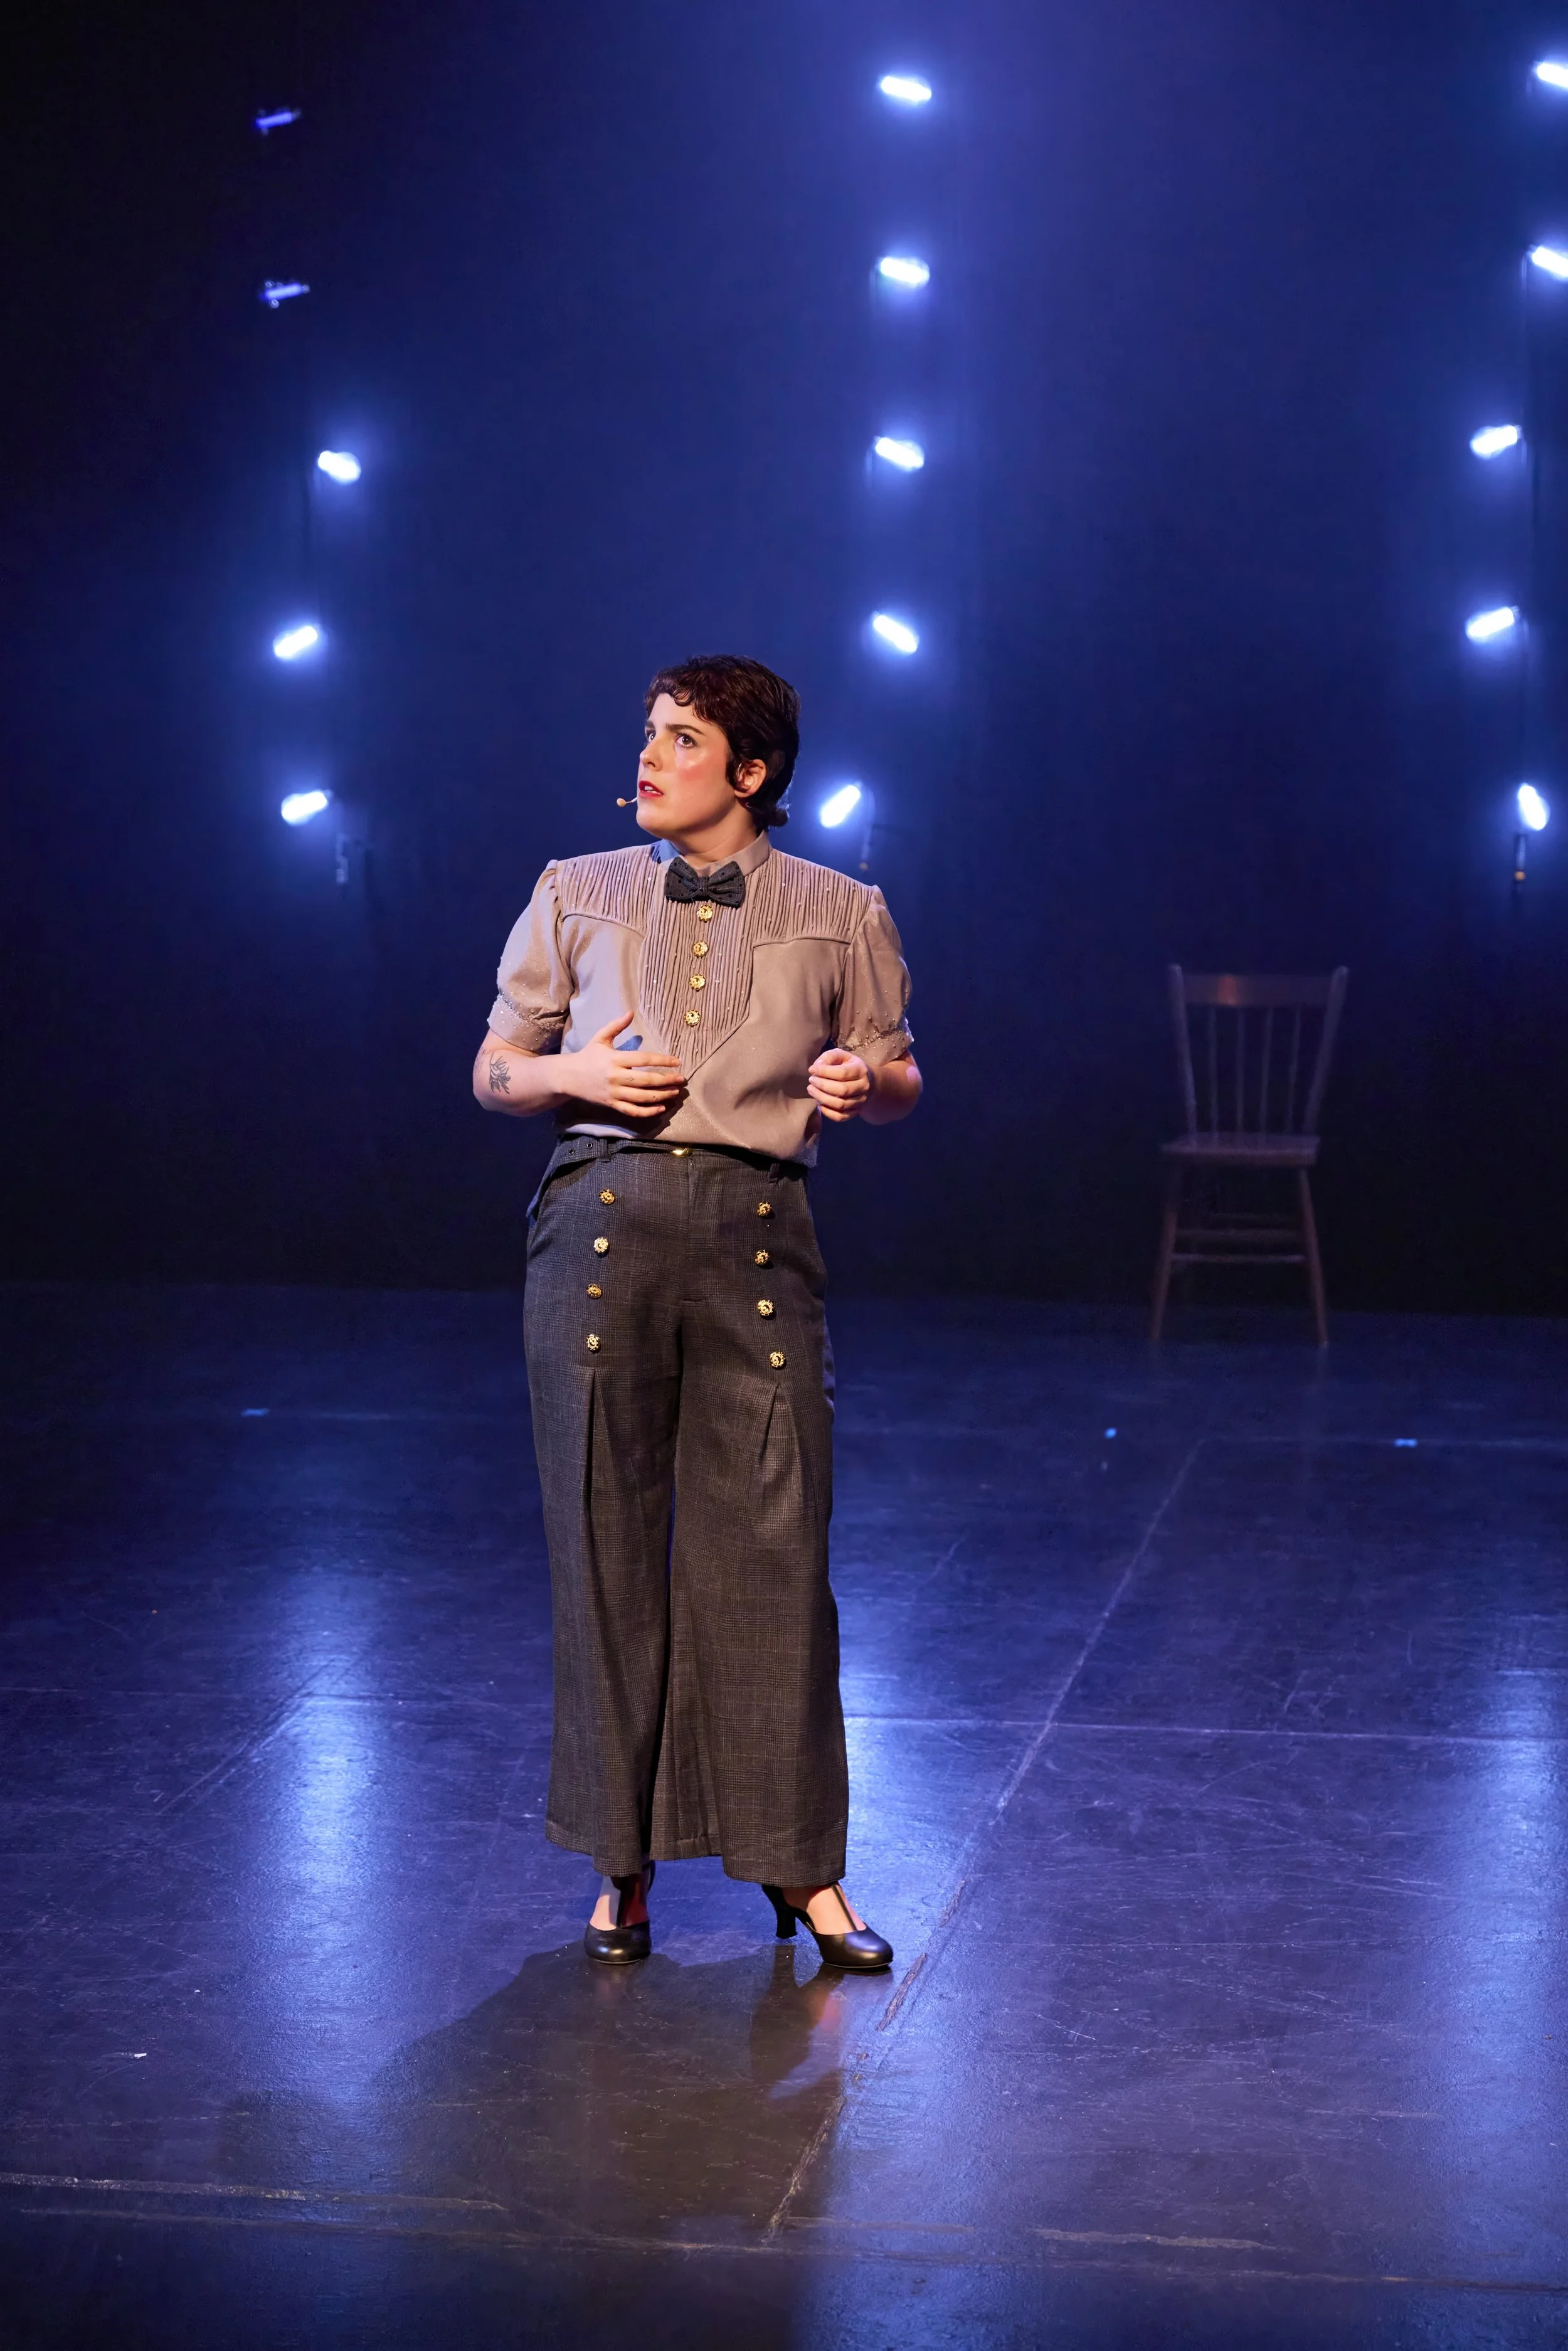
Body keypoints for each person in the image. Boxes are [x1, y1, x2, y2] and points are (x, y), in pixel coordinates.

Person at [472, 654, 921, 1972]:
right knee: (604, 1542)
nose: (649, 756)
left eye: (680, 737)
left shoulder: (844, 909)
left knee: (775, 1547)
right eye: (648, 734)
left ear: (750, 770)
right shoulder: (575, 886)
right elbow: (496, 1065)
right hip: (598, 1226)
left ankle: (805, 1868)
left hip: (758, 1232)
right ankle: (621, 1865)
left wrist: (861, 1080)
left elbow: (897, 1070)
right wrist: (569, 1070)